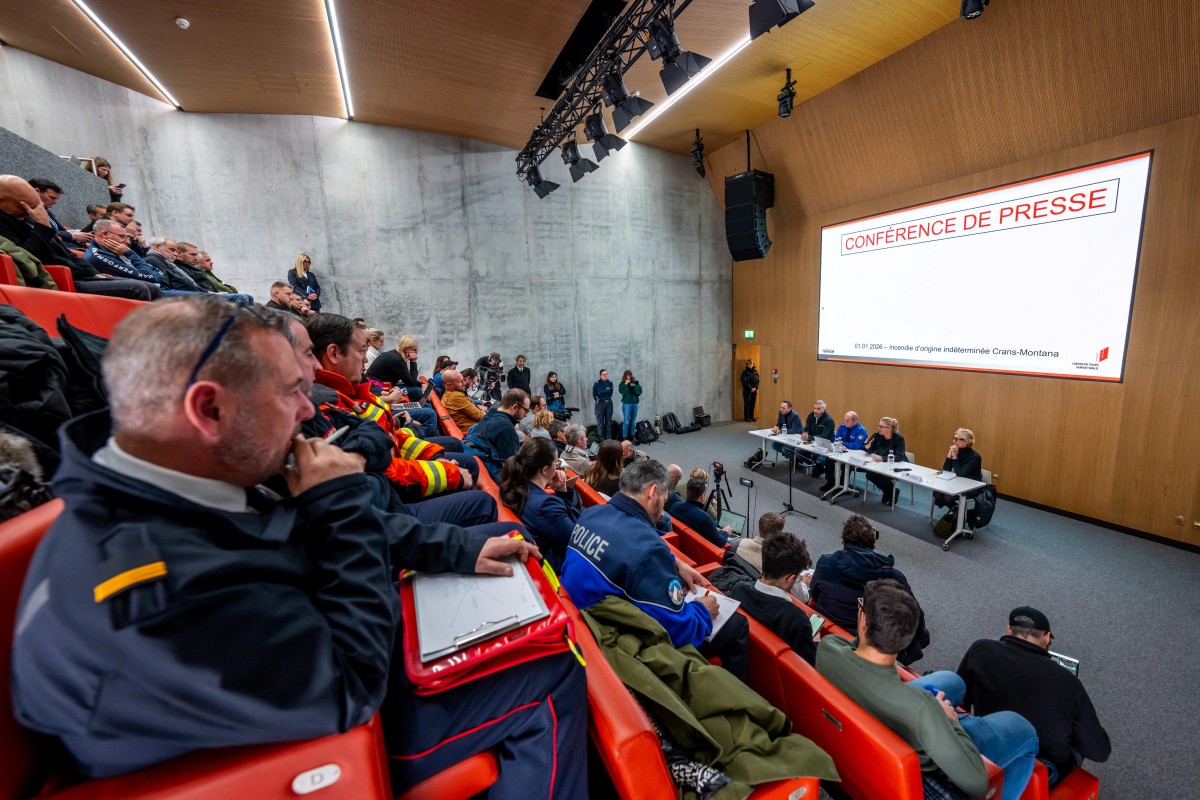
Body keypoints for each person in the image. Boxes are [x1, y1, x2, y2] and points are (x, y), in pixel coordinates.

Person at [9, 297, 587, 794]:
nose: (310, 409)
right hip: (311, 732)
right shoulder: (143, 587)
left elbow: (303, 538)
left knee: (517, 598)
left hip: (301, 656)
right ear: (209, 409)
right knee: (548, 675)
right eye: (290, 391)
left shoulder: (192, 467)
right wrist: (338, 504)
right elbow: (351, 687)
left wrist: (457, 551)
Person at [819, 580, 1038, 800]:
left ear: (863, 620)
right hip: (918, 742)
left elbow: (858, 646)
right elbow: (977, 784)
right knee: (1024, 730)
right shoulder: (922, 708)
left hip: (868, 708)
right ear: (905, 641)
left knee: (953, 681)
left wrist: (873, 626)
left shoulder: (829, 648)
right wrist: (950, 720)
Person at [560, 459, 750, 682]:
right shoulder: (648, 549)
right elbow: (679, 629)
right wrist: (702, 612)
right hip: (621, 646)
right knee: (737, 625)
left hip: (582, 622)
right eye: (664, 498)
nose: (662, 514)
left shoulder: (590, 515)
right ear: (652, 492)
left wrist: (676, 563)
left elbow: (623, 546)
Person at [307, 313, 475, 501]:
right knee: (479, 493)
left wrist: (434, 457)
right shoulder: (330, 405)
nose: (365, 360)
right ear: (334, 353)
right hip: (393, 494)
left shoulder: (350, 389)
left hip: (395, 472)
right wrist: (448, 472)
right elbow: (386, 471)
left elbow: (389, 437)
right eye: (362, 351)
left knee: (462, 457)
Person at [957, 607, 1111, 786]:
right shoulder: (1067, 681)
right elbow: (1100, 752)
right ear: (1046, 637)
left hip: (988, 746)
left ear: (1009, 630)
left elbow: (961, 700)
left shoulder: (981, 649)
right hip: (1041, 771)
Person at [0, 176, 153, 300]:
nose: (28, 211)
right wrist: (43, 227)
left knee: (151, 288)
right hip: (61, 280)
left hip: (80, 275)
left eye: (33, 206)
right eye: (22, 206)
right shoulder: (15, 226)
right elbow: (28, 260)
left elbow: (65, 253)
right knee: (138, 289)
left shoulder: (27, 220)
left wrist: (94, 273)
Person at [810, 514, 930, 665]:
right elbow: (914, 615)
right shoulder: (893, 577)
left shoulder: (825, 562)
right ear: (873, 541)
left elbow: (814, 593)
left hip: (830, 633)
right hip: (869, 644)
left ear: (845, 540)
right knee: (922, 635)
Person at [730, 535, 816, 664]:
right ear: (789, 579)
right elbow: (808, 665)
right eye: (796, 578)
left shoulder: (739, 589)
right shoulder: (797, 619)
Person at [499, 438, 582, 571]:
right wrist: (562, 492)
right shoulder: (545, 505)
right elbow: (576, 541)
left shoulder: (514, 486)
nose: (557, 467)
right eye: (556, 463)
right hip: (559, 568)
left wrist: (561, 490)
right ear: (544, 470)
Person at [463, 389, 530, 479]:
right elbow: (510, 471)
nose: (526, 415)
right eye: (526, 411)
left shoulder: (488, 416)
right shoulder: (507, 430)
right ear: (514, 407)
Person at [27, 177, 93, 246]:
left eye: (56, 199)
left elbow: (60, 231)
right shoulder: (26, 212)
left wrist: (83, 244)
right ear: (36, 192)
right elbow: (44, 232)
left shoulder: (47, 211)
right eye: (52, 198)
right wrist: (72, 235)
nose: (55, 202)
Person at [670, 477, 733, 548]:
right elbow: (720, 543)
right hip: (700, 550)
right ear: (702, 496)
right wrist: (726, 532)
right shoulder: (705, 518)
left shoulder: (675, 506)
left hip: (681, 544)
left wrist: (713, 526)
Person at [820, 410, 869, 494]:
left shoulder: (861, 431)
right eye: (844, 420)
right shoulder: (842, 426)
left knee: (847, 464)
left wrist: (843, 443)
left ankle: (843, 486)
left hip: (855, 455)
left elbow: (856, 446)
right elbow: (836, 439)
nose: (845, 422)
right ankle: (830, 482)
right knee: (829, 459)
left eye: (847, 421)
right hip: (842, 450)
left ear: (855, 420)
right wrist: (843, 444)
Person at [935, 428, 984, 510]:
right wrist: (949, 456)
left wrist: (954, 457)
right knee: (936, 493)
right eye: (953, 438)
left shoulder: (975, 457)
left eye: (957, 439)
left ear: (966, 441)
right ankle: (956, 510)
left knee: (948, 498)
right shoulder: (957, 451)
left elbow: (960, 473)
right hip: (957, 482)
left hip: (972, 486)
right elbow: (946, 470)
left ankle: (959, 514)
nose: (954, 441)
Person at [863, 416, 908, 506]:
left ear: (889, 429)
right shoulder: (879, 436)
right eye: (878, 426)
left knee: (881, 476)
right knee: (869, 475)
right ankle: (889, 491)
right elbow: (871, 450)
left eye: (881, 426)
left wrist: (882, 458)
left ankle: (892, 492)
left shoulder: (898, 438)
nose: (878, 428)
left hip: (896, 465)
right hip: (882, 464)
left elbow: (899, 457)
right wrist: (867, 447)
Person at [799, 399, 836, 480]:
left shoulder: (829, 420)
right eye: (814, 408)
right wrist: (806, 433)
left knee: (820, 459)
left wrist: (809, 437)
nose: (815, 410)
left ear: (824, 409)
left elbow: (824, 436)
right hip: (812, 442)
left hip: (825, 445)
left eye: (818, 409)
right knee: (799, 453)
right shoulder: (811, 415)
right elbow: (807, 428)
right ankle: (818, 466)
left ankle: (819, 467)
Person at [618, 369, 642, 439]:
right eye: (627, 376)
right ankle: (624, 437)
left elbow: (639, 392)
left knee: (633, 421)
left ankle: (633, 436)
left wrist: (634, 386)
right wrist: (626, 384)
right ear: (625, 376)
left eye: (630, 376)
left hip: (635, 404)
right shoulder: (622, 383)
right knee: (626, 421)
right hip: (627, 404)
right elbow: (622, 392)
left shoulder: (635, 382)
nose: (629, 378)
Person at [592, 369, 614, 440]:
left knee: (608, 423)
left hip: (609, 404)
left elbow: (611, 393)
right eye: (604, 374)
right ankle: (602, 441)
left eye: (606, 374)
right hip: (600, 404)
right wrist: (599, 400)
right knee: (600, 423)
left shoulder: (609, 382)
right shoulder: (597, 383)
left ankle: (609, 440)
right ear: (600, 375)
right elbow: (594, 394)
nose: (605, 375)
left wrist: (607, 400)